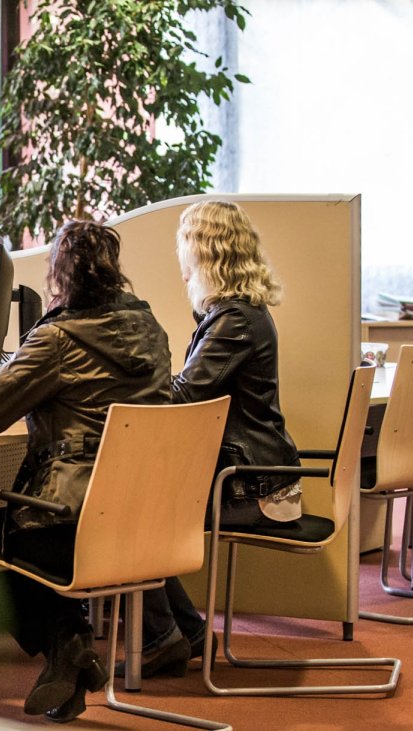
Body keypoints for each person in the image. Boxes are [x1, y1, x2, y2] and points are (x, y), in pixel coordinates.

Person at [0, 220, 171, 722]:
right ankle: (67, 656)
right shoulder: (151, 331)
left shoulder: (57, 339)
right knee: (18, 531)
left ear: (59, 278)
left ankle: (68, 645)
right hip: (146, 518)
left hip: (70, 522)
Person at [132, 199, 302, 678]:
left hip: (252, 486)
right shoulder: (236, 314)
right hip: (258, 476)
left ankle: (168, 635)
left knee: (127, 509)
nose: (181, 268)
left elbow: (184, 394)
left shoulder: (235, 321)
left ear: (204, 254)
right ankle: (183, 633)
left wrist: (125, 382)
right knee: (136, 505)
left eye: (185, 252)